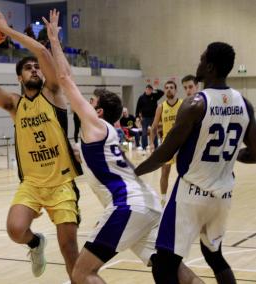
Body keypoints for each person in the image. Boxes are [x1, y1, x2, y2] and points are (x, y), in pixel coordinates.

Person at [44, 9, 203, 284]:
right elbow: (89, 163)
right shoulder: (102, 136)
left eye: (91, 103)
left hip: (127, 205)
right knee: (167, 268)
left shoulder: (94, 126)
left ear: (99, 112)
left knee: (82, 272)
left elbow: (65, 79)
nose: (85, 105)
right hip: (148, 204)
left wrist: (54, 42)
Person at [135, 42, 256, 284]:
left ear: (209, 67)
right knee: (215, 256)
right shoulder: (244, 104)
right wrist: (236, 156)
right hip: (222, 197)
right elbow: (255, 152)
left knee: (163, 263)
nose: (198, 63)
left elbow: (164, 154)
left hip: (190, 196)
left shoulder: (195, 104)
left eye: (201, 60)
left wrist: (132, 173)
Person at [0, 11, 82, 280]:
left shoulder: (54, 93)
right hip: (32, 183)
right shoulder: (15, 104)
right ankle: (35, 243)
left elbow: (44, 55)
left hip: (61, 182)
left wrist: (5, 30)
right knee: (15, 230)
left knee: (69, 248)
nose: (35, 69)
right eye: (28, 68)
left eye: (36, 68)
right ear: (19, 79)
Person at [149, 81, 182, 204]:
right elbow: (153, 127)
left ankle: (183, 197)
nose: (169, 90)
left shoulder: (183, 104)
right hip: (167, 144)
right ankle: (163, 199)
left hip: (181, 142)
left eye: (171, 88)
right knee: (165, 171)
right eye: (166, 88)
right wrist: (151, 143)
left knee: (184, 171)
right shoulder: (161, 107)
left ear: (176, 90)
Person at [135, 84, 164, 151]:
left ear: (151, 90)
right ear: (145, 89)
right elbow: (138, 107)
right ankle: (144, 147)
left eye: (150, 90)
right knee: (144, 133)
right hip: (145, 118)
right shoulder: (141, 97)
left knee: (154, 132)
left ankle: (155, 146)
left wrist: (155, 89)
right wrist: (137, 117)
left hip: (153, 117)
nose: (149, 91)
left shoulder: (154, 96)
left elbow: (162, 93)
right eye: (147, 89)